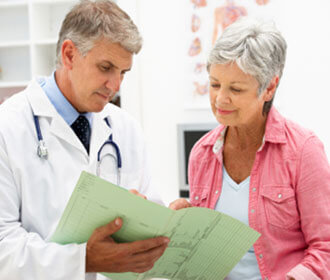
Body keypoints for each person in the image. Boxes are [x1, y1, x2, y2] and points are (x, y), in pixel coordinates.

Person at [0, 1, 170, 279]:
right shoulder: (7, 126)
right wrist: (82, 260)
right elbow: (3, 246)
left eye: (123, 73)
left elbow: (150, 207)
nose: (115, 86)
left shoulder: (125, 128)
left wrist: (157, 223)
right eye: (106, 67)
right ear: (69, 54)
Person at [170, 17, 330, 280]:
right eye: (214, 84)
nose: (221, 99)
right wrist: (182, 227)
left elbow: (325, 248)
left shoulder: (303, 151)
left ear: (269, 87)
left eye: (236, 88)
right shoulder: (202, 153)